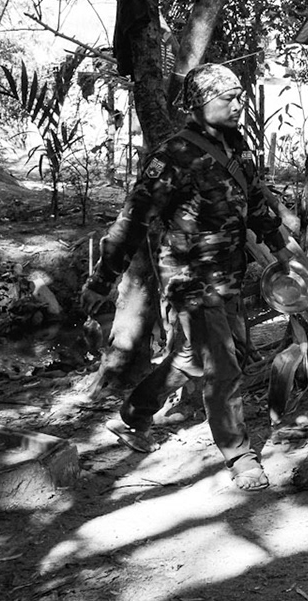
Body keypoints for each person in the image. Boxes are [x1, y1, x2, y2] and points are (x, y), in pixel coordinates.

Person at [80, 63, 289, 491]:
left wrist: (280, 247)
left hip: (229, 273)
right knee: (223, 367)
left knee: (195, 360)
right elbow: (133, 221)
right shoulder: (171, 155)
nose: (238, 103)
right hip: (190, 279)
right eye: (227, 98)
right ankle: (241, 457)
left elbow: (253, 202)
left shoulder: (238, 147)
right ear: (199, 102)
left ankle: (135, 414)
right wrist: (102, 279)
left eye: (239, 95)